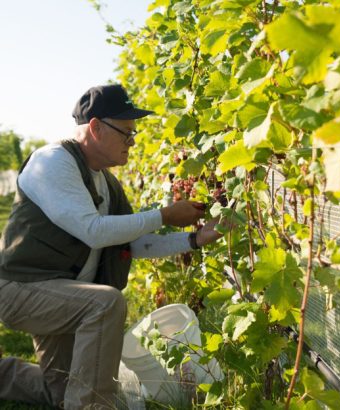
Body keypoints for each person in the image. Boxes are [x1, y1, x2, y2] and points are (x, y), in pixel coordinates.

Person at [0, 84, 224, 409]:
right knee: (104, 304)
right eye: (127, 133)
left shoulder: (106, 181)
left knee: (59, 390)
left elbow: (130, 242)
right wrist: (163, 215)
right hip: (21, 289)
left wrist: (194, 239)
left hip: (65, 292)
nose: (132, 142)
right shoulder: (52, 162)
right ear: (95, 127)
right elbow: (93, 231)